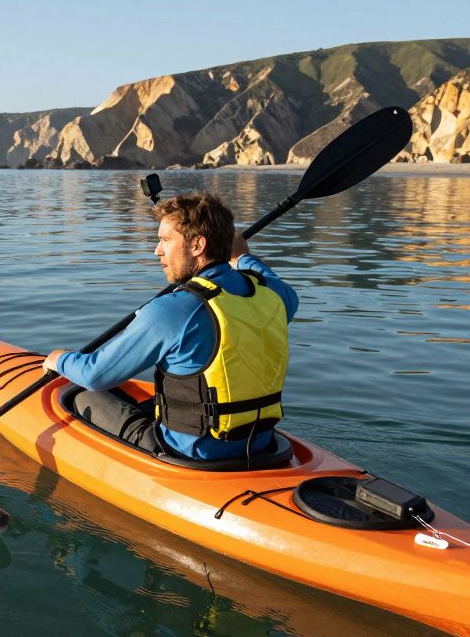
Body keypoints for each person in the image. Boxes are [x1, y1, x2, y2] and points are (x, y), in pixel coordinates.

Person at [43, 192, 298, 462]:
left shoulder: (173, 309)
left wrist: (59, 359)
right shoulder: (275, 297)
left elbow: (96, 375)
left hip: (190, 453)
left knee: (79, 392)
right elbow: (268, 277)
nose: (157, 250)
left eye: (165, 240)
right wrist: (242, 257)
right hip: (260, 443)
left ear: (197, 245)